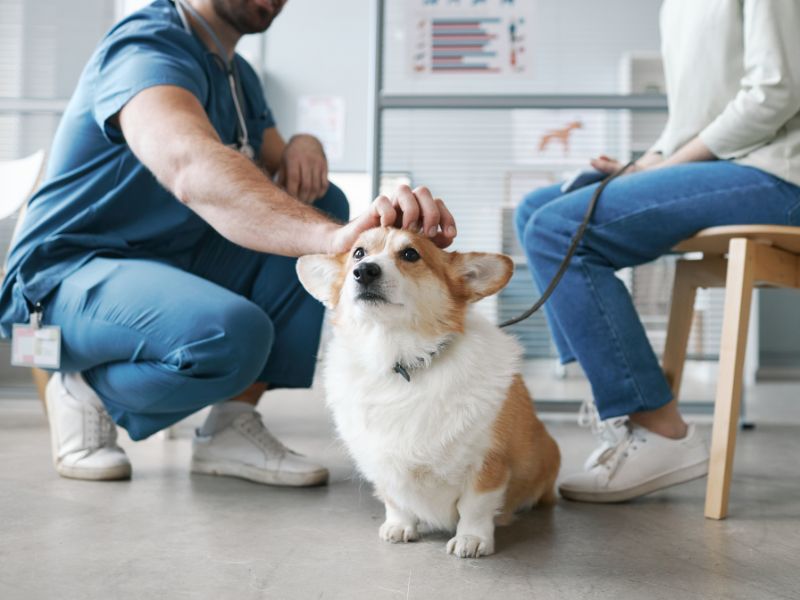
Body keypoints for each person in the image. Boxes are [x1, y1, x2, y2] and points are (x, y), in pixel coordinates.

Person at [0, 0, 457, 485]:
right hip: (68, 272)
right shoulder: (147, 48)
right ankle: (87, 391)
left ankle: (230, 424)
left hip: (170, 263)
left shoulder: (237, 74)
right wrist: (334, 240)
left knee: (322, 198)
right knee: (233, 333)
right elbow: (189, 166)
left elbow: (281, 166)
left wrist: (307, 144)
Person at [516, 0, 800, 503]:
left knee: (558, 229)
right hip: (725, 168)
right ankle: (621, 406)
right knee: (536, 208)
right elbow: (691, 123)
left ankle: (661, 428)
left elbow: (774, 94)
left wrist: (660, 172)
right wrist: (640, 165)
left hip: (779, 172)